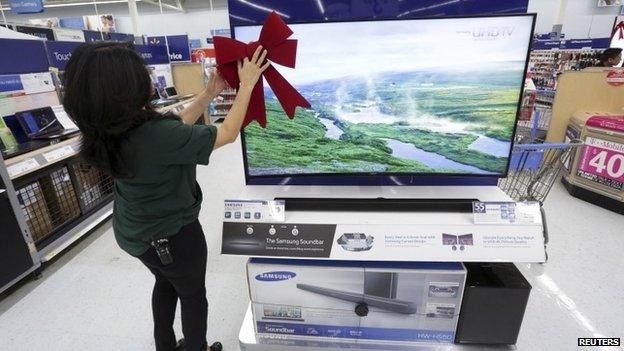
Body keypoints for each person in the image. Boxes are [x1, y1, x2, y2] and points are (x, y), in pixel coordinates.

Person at [62, 42, 269, 351]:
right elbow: (226, 134)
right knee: (192, 294)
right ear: (126, 88)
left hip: (134, 233)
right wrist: (248, 84)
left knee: (165, 282)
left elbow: (173, 129)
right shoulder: (151, 134)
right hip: (173, 238)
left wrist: (209, 93)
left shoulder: (107, 129)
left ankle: (165, 345)